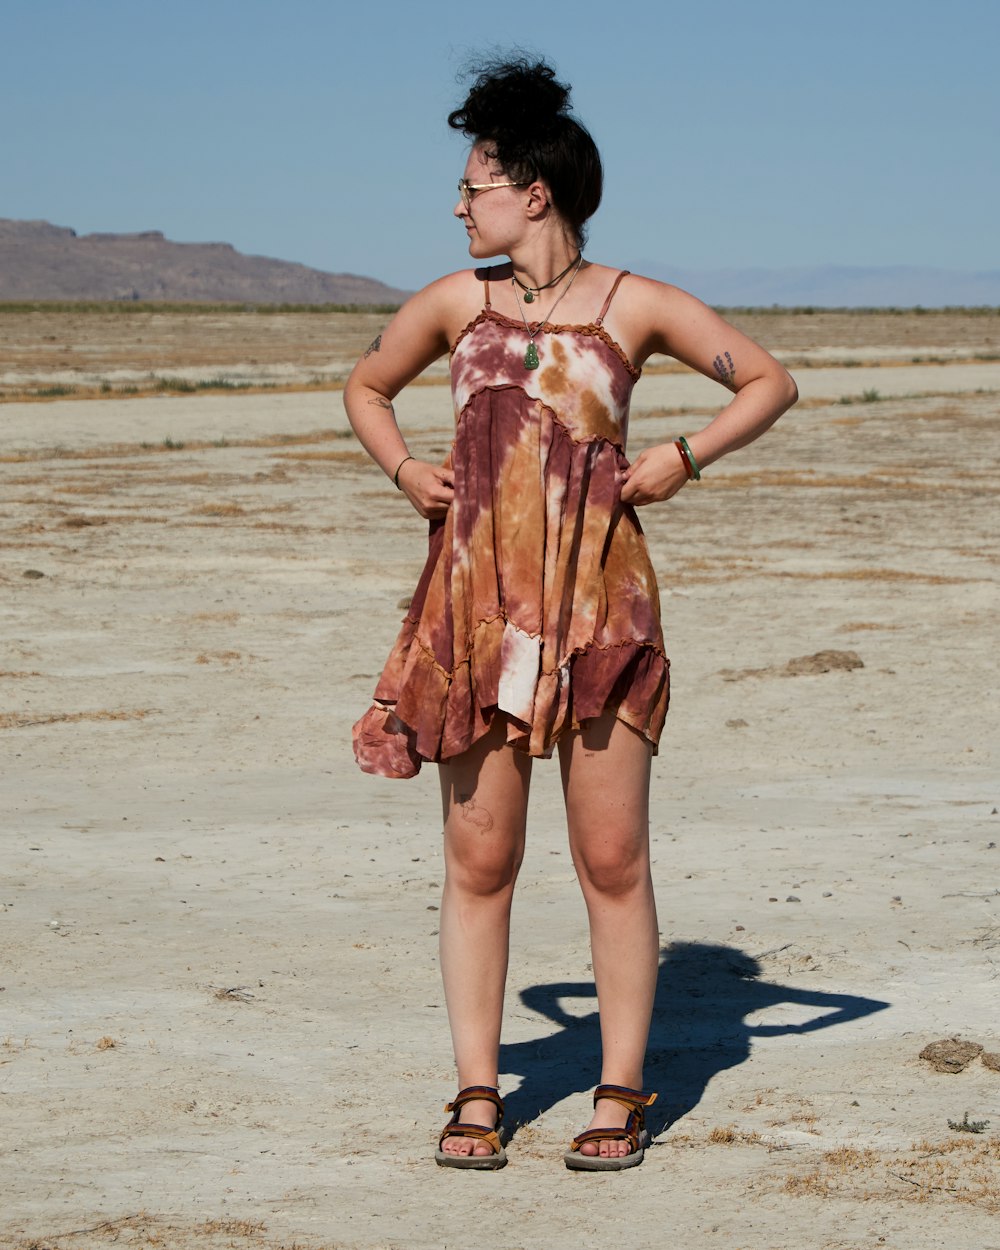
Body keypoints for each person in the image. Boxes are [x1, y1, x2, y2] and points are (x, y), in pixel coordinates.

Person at [346, 55, 797, 1171]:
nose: (459, 205)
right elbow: (364, 386)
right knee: (479, 857)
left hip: (601, 606)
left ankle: (619, 1089)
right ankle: (475, 1091)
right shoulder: (458, 303)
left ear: (533, 190)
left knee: (610, 855)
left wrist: (681, 457)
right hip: (477, 610)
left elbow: (768, 381)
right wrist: (406, 470)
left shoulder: (632, 303)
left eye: (475, 185)